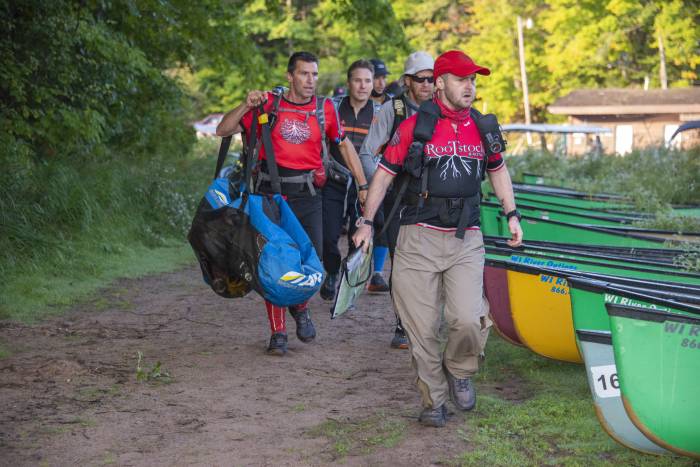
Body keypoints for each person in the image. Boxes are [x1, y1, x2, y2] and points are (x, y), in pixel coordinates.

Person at [352, 50, 523, 427]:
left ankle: (459, 369)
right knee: (421, 328)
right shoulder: (416, 127)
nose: (470, 86)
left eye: (474, 80)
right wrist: (366, 222)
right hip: (417, 237)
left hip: (466, 238)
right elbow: (383, 174)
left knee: (467, 318)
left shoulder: (482, 126)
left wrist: (512, 214)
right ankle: (434, 401)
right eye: (462, 79)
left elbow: (498, 170)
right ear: (441, 83)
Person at [216, 51, 368, 356]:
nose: (310, 80)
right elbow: (223, 129)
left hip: (308, 195)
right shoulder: (268, 105)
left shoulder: (325, 108)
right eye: (304, 74)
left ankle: (300, 308)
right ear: (289, 76)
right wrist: (247, 103)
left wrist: (363, 184)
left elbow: (344, 145)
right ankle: (278, 332)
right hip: (268, 195)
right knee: (272, 263)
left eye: (314, 74)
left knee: (308, 262)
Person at [358, 51, 435, 349]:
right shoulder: (393, 109)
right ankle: (403, 324)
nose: (428, 85)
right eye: (422, 79)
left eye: (432, 79)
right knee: (402, 266)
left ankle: (426, 322)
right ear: (407, 81)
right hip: (398, 199)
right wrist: (380, 183)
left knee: (431, 265)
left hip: (433, 201)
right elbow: (367, 153)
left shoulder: (444, 110)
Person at [320, 60, 380, 301]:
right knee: (328, 234)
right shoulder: (332, 108)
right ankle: (332, 271)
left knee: (358, 237)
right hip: (334, 180)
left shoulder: (380, 113)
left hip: (364, 187)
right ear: (349, 83)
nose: (363, 86)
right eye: (357, 80)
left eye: (367, 81)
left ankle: (347, 281)